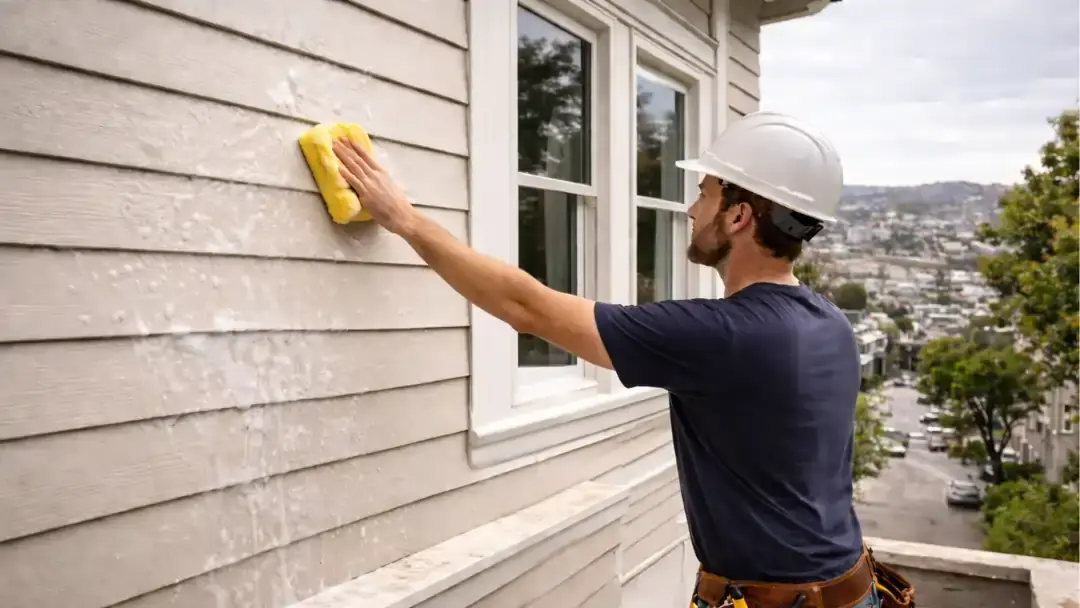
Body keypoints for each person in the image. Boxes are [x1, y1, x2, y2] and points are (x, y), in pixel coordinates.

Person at [330, 112, 885, 608]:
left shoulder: (725, 337)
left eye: (705, 193)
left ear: (739, 216)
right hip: (847, 588)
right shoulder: (829, 324)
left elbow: (528, 308)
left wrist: (403, 218)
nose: (691, 210)